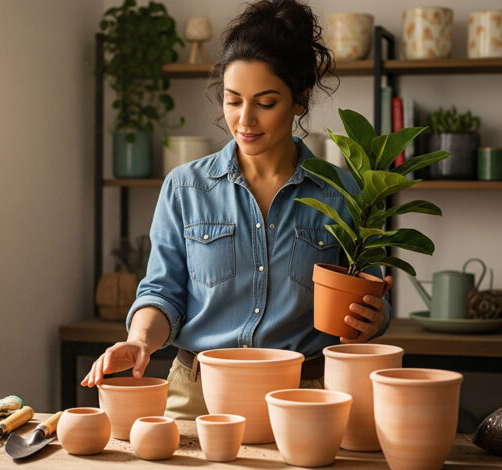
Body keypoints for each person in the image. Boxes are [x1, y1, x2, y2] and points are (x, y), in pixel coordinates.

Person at [82, 0, 393, 419]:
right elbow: (162, 293)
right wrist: (140, 340)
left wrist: (375, 318)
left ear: (299, 99)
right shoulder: (185, 187)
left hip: (303, 397)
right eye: (233, 101)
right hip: (197, 397)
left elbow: (369, 294)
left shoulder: (343, 193)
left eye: (265, 103)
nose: (245, 120)